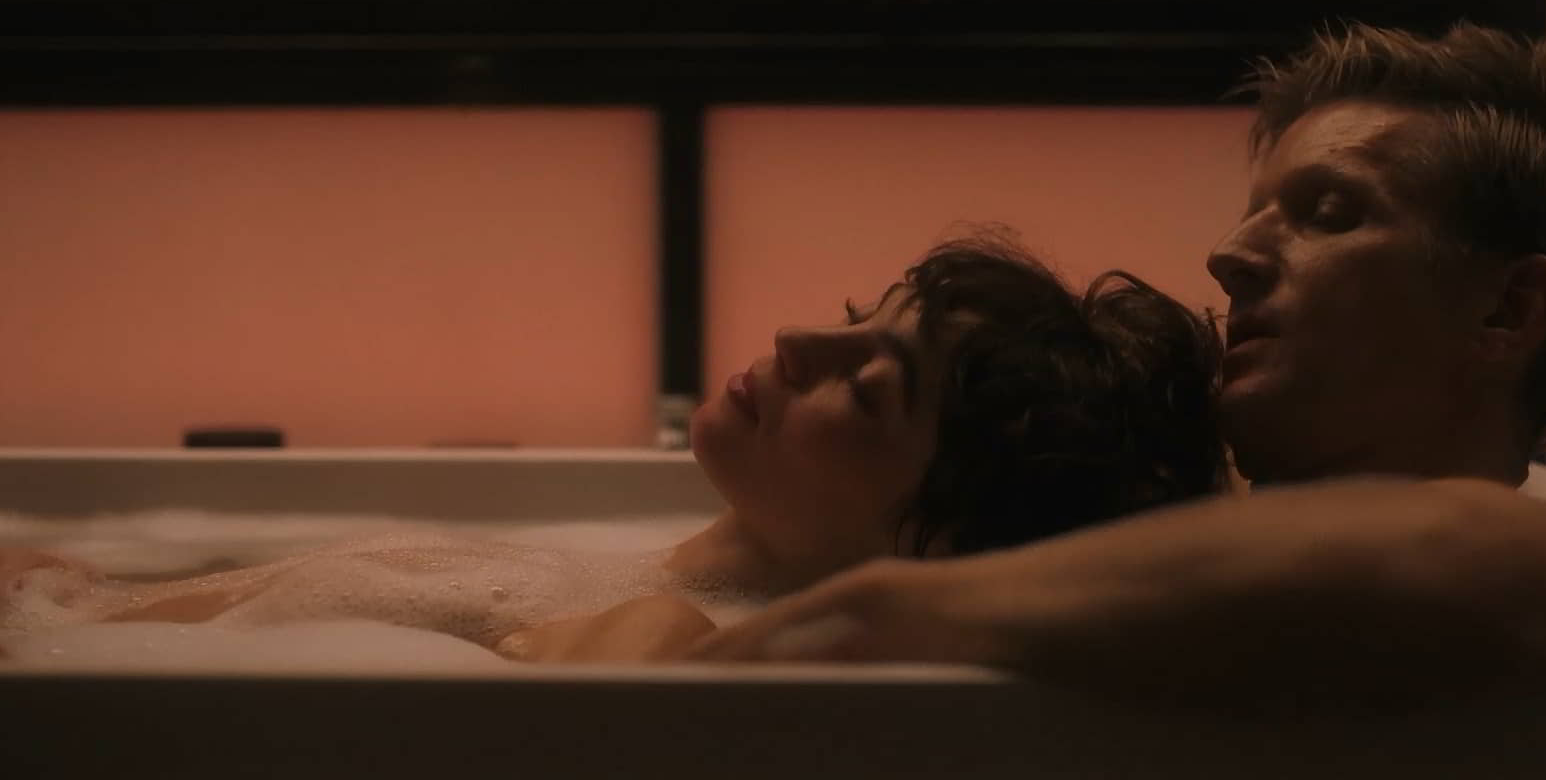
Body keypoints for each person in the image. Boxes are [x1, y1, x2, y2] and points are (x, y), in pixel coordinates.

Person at [682, 24, 1546, 708]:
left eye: (1329, 214)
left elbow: (1520, 572)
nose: (1228, 256)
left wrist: (859, 620)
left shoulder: (1489, 571)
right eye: (1253, 212)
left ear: (1508, 310)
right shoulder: (1145, 503)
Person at [0, 234, 1225, 665]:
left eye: (868, 388)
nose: (797, 339)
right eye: (857, 320)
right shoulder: (621, 572)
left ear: (935, 545)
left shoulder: (661, 635)